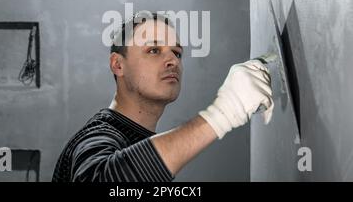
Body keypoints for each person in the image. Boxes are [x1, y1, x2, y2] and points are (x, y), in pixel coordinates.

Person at [52, 12, 274, 182]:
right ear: (118, 65)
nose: (173, 61)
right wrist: (223, 113)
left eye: (177, 53)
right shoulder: (99, 135)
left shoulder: (141, 144)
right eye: (154, 51)